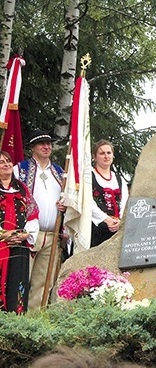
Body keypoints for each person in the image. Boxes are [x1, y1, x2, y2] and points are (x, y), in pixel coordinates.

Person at [14, 129, 65, 310]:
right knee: (21, 279)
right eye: (41, 144)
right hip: (28, 235)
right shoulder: (20, 170)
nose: (46, 147)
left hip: (52, 235)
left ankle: (35, 321)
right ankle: (15, 320)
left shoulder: (60, 173)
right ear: (32, 148)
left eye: (49, 143)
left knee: (43, 283)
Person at [1, 151, 39, 313]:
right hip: (2, 245)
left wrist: (25, 234)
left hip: (20, 246)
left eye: (8, 161)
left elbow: (33, 214)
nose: (7, 164)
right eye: (1, 162)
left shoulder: (22, 189)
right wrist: (3, 234)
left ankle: (16, 323)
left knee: (18, 284)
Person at [91, 140, 129, 248]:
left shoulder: (119, 179)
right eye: (102, 153)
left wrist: (119, 221)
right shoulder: (88, 177)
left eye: (109, 153)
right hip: (96, 227)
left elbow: (124, 202)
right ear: (94, 157)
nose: (106, 156)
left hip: (117, 228)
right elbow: (88, 203)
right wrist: (106, 219)